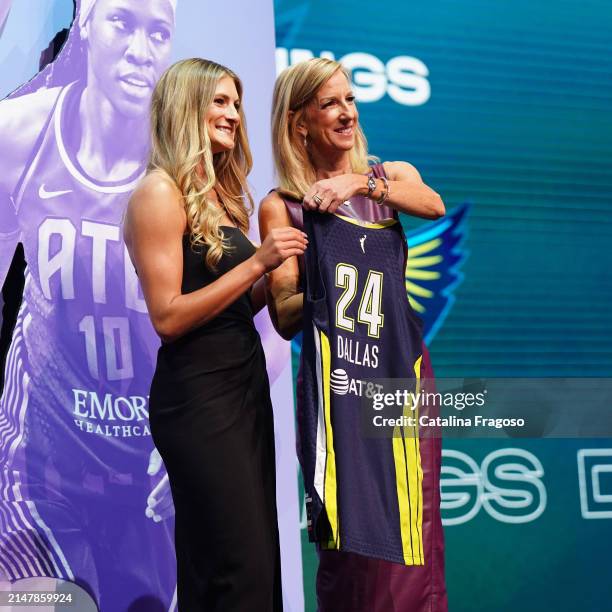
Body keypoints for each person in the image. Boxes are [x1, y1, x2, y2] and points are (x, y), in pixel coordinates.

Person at [0, 1, 178, 609]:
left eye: (157, 32)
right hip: (40, 465)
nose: (139, 48)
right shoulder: (20, 134)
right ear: (85, 24)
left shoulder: (188, 164)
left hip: (149, 472)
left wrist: (195, 442)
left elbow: (257, 332)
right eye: (122, 22)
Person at [259, 58, 448, 611]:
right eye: (329, 103)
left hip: (402, 379)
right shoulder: (284, 205)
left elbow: (432, 204)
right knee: (349, 538)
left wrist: (356, 182)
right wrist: (316, 278)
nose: (346, 112)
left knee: (414, 527)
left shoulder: (391, 177)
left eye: (350, 98)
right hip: (338, 386)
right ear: (300, 123)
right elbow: (285, 315)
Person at [124, 57, 307, 611]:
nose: (233, 114)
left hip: (243, 386)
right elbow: (169, 316)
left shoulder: (223, 199)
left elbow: (232, 305)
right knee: (233, 563)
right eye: (220, 102)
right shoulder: (158, 194)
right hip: (197, 398)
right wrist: (257, 266)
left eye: (236, 103)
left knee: (253, 558)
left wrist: (297, 271)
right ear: (186, 108)